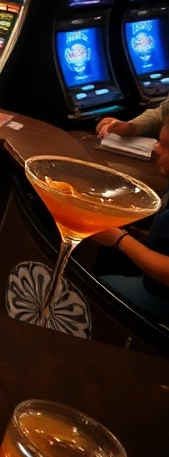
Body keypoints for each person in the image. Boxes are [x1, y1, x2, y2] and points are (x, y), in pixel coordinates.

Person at [88, 119, 169, 319]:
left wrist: (119, 239)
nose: (156, 148)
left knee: (91, 287)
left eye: (165, 145)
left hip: (160, 298)